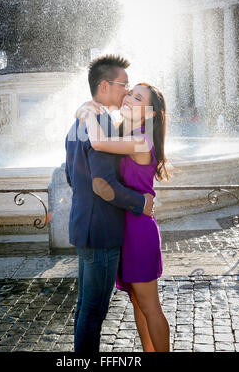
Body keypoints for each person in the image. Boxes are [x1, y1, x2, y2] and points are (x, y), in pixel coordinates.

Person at [65, 55, 155, 354]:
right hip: (102, 231)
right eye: (124, 85)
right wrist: (140, 201)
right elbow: (104, 187)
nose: (126, 92)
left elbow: (71, 175)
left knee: (84, 307)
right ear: (105, 85)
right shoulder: (101, 123)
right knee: (93, 311)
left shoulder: (79, 122)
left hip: (83, 226)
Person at [78, 82, 171, 352]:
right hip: (123, 228)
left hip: (139, 231)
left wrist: (86, 111)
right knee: (138, 304)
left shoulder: (141, 140)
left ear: (151, 113)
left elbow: (97, 141)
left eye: (138, 97)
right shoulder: (125, 133)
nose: (129, 97)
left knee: (151, 306)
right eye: (130, 93)